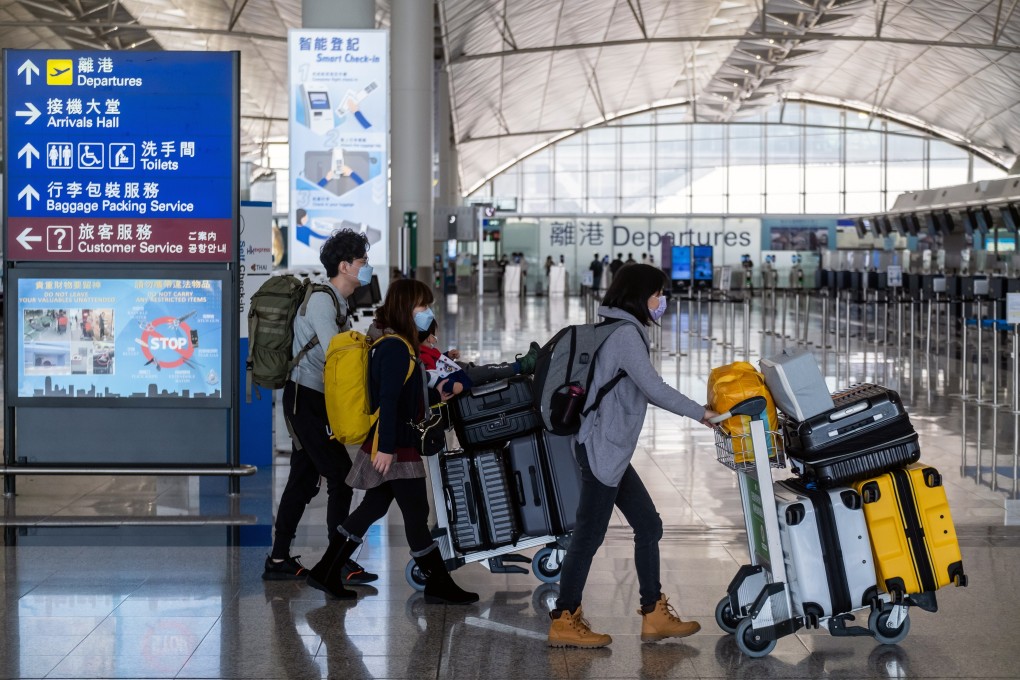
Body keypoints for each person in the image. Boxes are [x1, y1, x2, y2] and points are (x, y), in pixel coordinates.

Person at [547, 263, 720, 648]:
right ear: (640, 295)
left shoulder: (617, 326)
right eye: (658, 293)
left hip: (610, 449)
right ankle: (564, 617)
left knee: (648, 524)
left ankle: (653, 614)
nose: (661, 301)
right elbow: (654, 388)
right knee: (589, 535)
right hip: (602, 449)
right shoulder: (625, 334)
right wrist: (701, 413)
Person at [306, 279, 479, 605]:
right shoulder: (395, 348)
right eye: (422, 307)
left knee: (373, 507)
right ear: (405, 309)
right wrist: (385, 448)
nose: (427, 313)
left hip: (396, 439)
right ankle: (439, 584)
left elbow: (405, 393)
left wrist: (434, 394)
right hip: (395, 443)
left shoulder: (399, 345)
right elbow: (387, 399)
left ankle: (327, 570)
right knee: (416, 512)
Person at [263, 228, 378, 587]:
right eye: (363, 261)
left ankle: (278, 559)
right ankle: (336, 561)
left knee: (301, 479)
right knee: (341, 478)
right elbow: (339, 357)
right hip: (305, 400)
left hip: (314, 399)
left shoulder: (338, 302)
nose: (367, 267)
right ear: (345, 266)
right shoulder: (322, 302)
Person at [418, 319, 539, 395]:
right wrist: (452, 386)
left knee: (489, 370)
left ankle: (522, 365)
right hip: (463, 377)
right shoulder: (424, 356)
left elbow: (438, 363)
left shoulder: (427, 351)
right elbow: (432, 378)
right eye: (434, 335)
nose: (435, 339)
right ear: (428, 337)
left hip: (461, 371)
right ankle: (524, 365)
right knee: (492, 370)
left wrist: (448, 356)